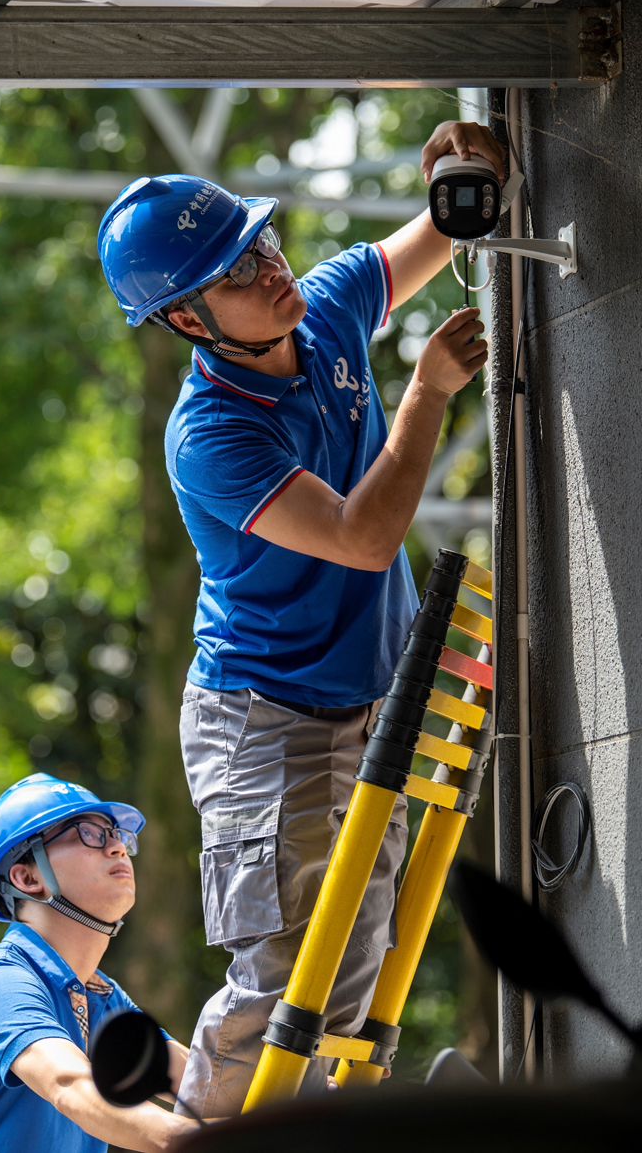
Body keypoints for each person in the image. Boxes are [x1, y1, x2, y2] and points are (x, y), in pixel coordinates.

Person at [97, 119, 503, 1118]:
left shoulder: (318, 312)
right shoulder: (212, 436)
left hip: (359, 697)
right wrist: (422, 402)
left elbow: (436, 234)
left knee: (358, 963)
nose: (270, 271)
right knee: (284, 978)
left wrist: (472, 168)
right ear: (189, 321)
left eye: (263, 246)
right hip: (264, 723)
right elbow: (363, 539)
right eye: (236, 272)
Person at [0, 773, 195, 1152]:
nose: (117, 848)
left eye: (116, 835)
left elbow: (203, 1083)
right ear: (27, 876)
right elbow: (71, 1086)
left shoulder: (102, 998)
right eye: (88, 833)